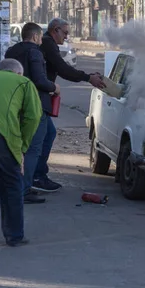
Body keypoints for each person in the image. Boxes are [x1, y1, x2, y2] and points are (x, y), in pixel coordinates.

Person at [35, 18, 105, 192]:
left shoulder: (49, 43)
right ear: (55, 30)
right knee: (44, 136)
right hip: (38, 97)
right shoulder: (48, 43)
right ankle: (36, 176)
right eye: (65, 33)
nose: (66, 37)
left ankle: (37, 174)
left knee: (46, 135)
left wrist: (87, 75)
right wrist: (88, 78)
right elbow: (63, 69)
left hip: (39, 96)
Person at [5, 22, 61, 204]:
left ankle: (23, 182)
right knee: (32, 148)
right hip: (35, 105)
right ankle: (24, 189)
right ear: (37, 37)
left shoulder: (11, 51)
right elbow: (39, 79)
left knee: (44, 136)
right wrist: (54, 87)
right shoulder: (35, 52)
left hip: (15, 103)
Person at [0, 59, 42, 246]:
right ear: (18, 73)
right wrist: (22, 146)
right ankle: (14, 235)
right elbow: (33, 116)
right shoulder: (24, 83)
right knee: (11, 187)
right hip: (4, 139)